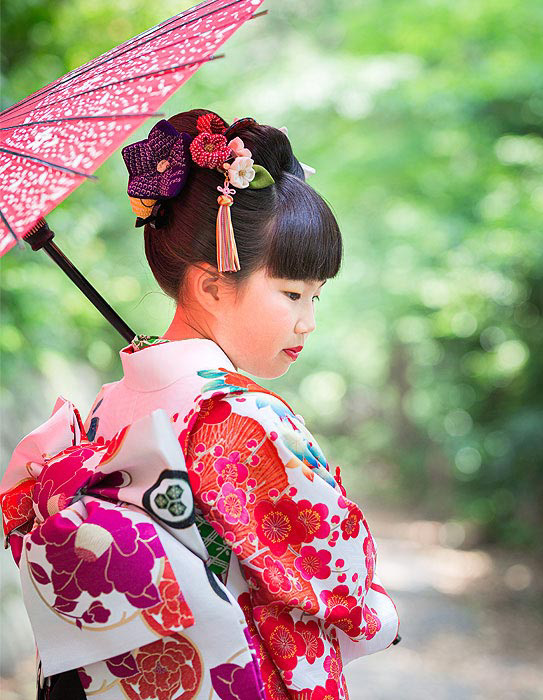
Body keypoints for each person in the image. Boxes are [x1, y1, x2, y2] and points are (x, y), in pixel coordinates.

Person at [0, 110, 398, 700]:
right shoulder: (245, 419)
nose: (307, 321)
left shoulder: (109, 411)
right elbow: (332, 577)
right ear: (211, 284)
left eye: (316, 296)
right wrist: (382, 615)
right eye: (291, 293)